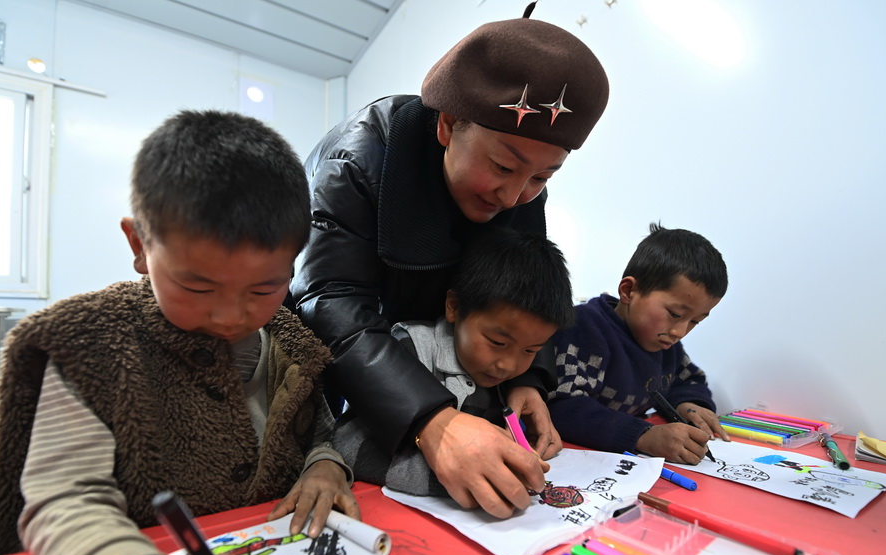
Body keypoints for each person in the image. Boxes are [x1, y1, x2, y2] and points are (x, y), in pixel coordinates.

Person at [0, 110, 360, 555]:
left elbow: (320, 430)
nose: (232, 315)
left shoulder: (293, 346)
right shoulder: (93, 346)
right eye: (196, 285)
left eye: (265, 287)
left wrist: (326, 467)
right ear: (138, 244)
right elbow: (63, 501)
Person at [291, 7, 609, 518]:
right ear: (447, 123)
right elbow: (330, 303)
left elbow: (527, 284)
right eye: (503, 166)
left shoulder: (521, 194)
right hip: (331, 378)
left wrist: (530, 380)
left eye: (542, 177)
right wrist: (432, 422)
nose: (514, 197)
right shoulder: (359, 159)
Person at [335, 229, 574, 496]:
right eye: (497, 342)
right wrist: (446, 475)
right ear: (454, 306)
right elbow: (345, 444)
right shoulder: (407, 350)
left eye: (530, 350)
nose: (508, 366)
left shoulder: (513, 385)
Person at [549, 223, 730, 464]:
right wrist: (643, 436)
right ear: (628, 290)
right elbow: (564, 408)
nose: (680, 331)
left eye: (695, 321)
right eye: (675, 314)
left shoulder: (664, 341)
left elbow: (688, 379)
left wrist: (690, 404)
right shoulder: (585, 328)